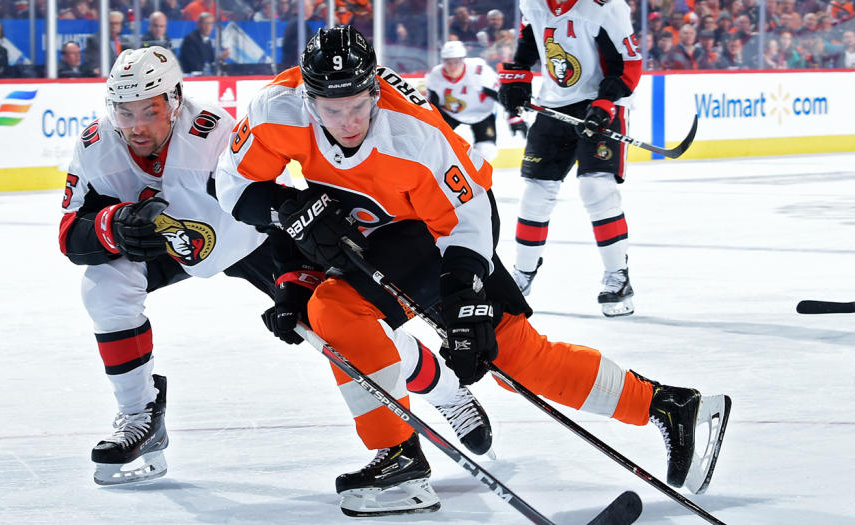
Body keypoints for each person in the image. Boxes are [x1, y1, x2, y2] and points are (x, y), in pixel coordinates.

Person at [215, 25, 731, 516]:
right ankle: (399, 460)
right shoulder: (273, 109)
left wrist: (466, 296)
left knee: (505, 354)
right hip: (366, 226)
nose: (349, 121)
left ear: (374, 88)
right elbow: (233, 184)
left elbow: (468, 216)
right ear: (308, 99)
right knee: (343, 312)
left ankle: (662, 405)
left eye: (358, 104)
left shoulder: (416, 134)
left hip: (437, 231)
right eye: (333, 109)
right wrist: (287, 211)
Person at [59, 45, 494, 487]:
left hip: (246, 239)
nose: (136, 126)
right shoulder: (96, 145)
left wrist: (293, 281)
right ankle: (139, 416)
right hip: (168, 244)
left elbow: (282, 206)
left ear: (175, 100)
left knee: (340, 327)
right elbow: (70, 233)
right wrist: (109, 226)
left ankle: (446, 392)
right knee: (103, 286)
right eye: (124, 113)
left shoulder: (212, 135)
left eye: (148, 111)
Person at [498, 0, 643, 316]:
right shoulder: (533, 3)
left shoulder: (605, 7)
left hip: (601, 104)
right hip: (553, 104)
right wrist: (519, 75)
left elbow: (629, 64)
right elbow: (530, 35)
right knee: (535, 192)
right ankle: (521, 276)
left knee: (596, 188)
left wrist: (605, 102)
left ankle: (618, 278)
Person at [423, 40, 509, 164]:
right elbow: (433, 105)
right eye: (448, 62)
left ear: (463, 59)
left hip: (482, 114)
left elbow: (499, 94)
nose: (452, 67)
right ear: (443, 61)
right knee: (433, 144)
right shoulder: (435, 75)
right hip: (450, 114)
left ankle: (474, 176)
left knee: (487, 151)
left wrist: (513, 114)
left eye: (456, 62)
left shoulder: (478, 70)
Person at [83, 10, 130, 77]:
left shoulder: (125, 41)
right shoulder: (95, 40)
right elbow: (91, 63)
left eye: (116, 23)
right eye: (111, 23)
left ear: (121, 25)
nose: (113, 26)